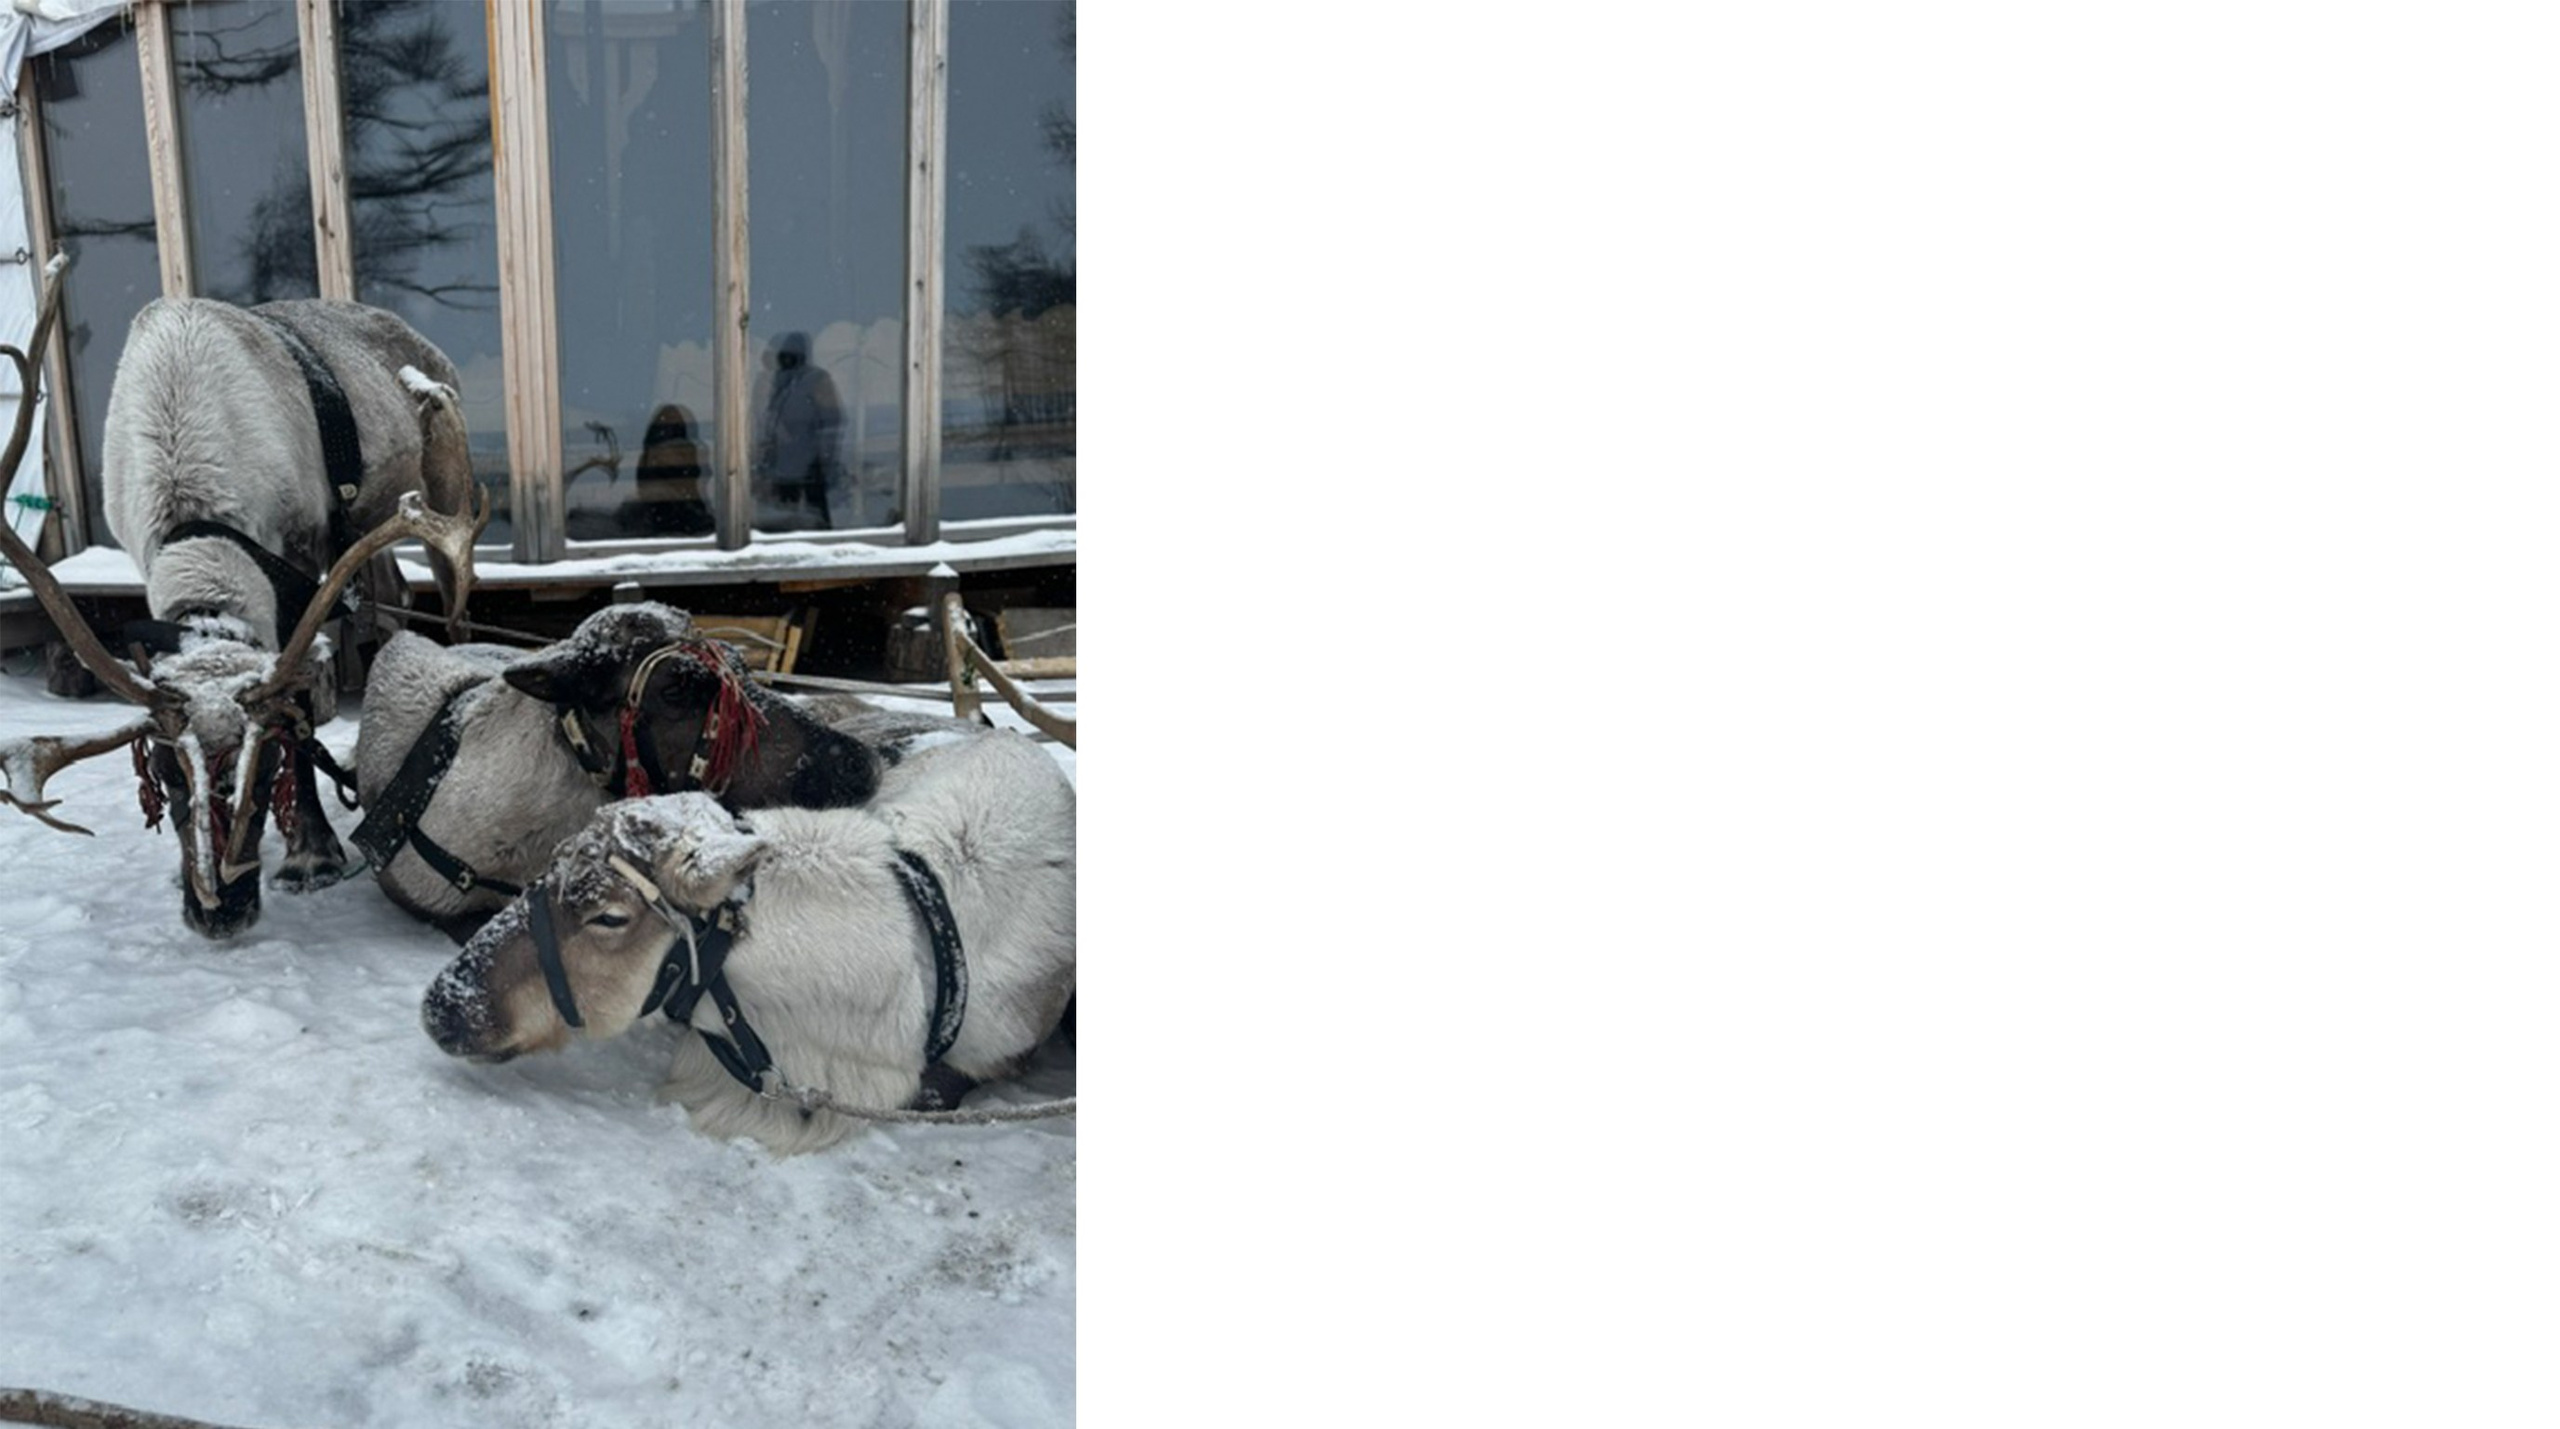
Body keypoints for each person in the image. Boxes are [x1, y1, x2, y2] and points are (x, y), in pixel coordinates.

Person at [753, 332, 843, 529]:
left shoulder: (817, 380)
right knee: (783, 522)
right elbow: (769, 424)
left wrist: (823, 461)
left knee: (816, 519)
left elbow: (831, 423)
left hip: (809, 468)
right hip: (781, 469)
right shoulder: (778, 383)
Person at [622, 403, 715, 536]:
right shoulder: (637, 518)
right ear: (652, 457)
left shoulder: (698, 517)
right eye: (675, 448)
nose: (685, 456)